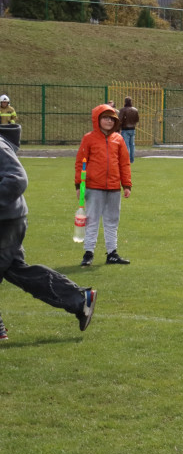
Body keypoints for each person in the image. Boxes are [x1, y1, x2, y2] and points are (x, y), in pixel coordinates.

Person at [0, 126, 96, 340]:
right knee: (16, 270)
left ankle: (80, 299)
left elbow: (17, 178)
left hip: (5, 220)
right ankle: (80, 301)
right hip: (8, 218)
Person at [75, 104, 131, 267]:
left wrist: (126, 184)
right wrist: (79, 185)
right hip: (94, 186)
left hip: (114, 187)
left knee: (112, 220)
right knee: (92, 220)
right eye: (105, 118)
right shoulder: (89, 138)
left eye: (112, 119)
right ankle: (88, 253)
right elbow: (80, 163)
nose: (109, 121)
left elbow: (124, 163)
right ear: (97, 119)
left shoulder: (118, 139)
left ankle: (112, 253)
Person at [118, 97, 140, 163]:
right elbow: (137, 120)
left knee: (126, 145)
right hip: (132, 128)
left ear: (125, 102)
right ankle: (132, 159)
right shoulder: (135, 110)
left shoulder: (123, 110)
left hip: (125, 129)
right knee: (132, 145)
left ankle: (126, 159)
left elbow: (120, 120)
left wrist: (119, 128)